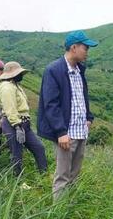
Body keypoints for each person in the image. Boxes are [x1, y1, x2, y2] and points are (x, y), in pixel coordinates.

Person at [37, 30, 97, 198]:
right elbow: (51, 104)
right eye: (85, 48)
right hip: (66, 133)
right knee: (63, 176)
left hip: (81, 131)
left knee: (75, 175)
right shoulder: (54, 70)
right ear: (74, 47)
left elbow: (82, 96)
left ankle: (69, 210)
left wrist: (88, 118)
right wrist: (61, 132)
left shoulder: (79, 70)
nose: (87, 52)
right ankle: (58, 216)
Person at [0, 61, 48, 177]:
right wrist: (17, 126)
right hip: (14, 124)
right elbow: (10, 108)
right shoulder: (7, 87)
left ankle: (44, 176)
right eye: (19, 74)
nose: (21, 76)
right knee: (16, 153)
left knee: (39, 148)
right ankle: (17, 181)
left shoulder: (15, 85)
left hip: (24, 123)